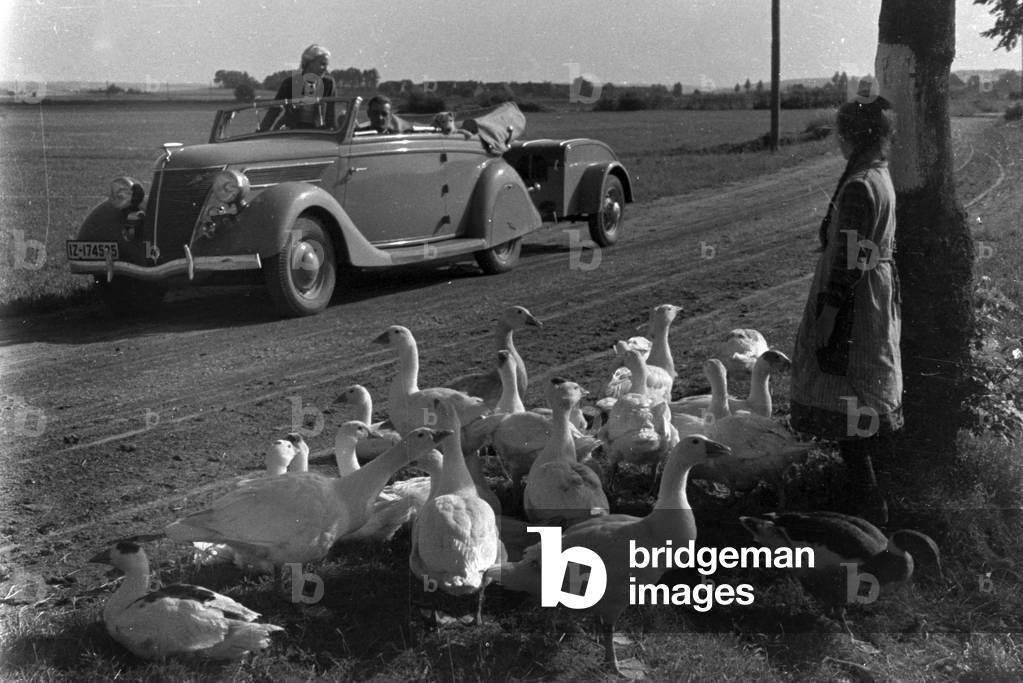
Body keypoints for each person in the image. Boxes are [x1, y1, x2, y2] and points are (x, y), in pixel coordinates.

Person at [789, 96, 901, 527]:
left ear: (850, 136)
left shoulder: (859, 186)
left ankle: (867, 516)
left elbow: (850, 260)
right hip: (872, 300)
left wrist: (827, 315)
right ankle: (868, 511)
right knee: (859, 414)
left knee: (851, 412)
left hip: (854, 306)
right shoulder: (878, 175)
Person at [260, 44, 335, 131]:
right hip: (292, 130)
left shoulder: (329, 83)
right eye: (322, 64)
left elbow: (331, 114)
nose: (326, 69)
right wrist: (260, 132)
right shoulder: (289, 83)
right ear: (309, 63)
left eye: (327, 65)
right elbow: (273, 111)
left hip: (317, 132)